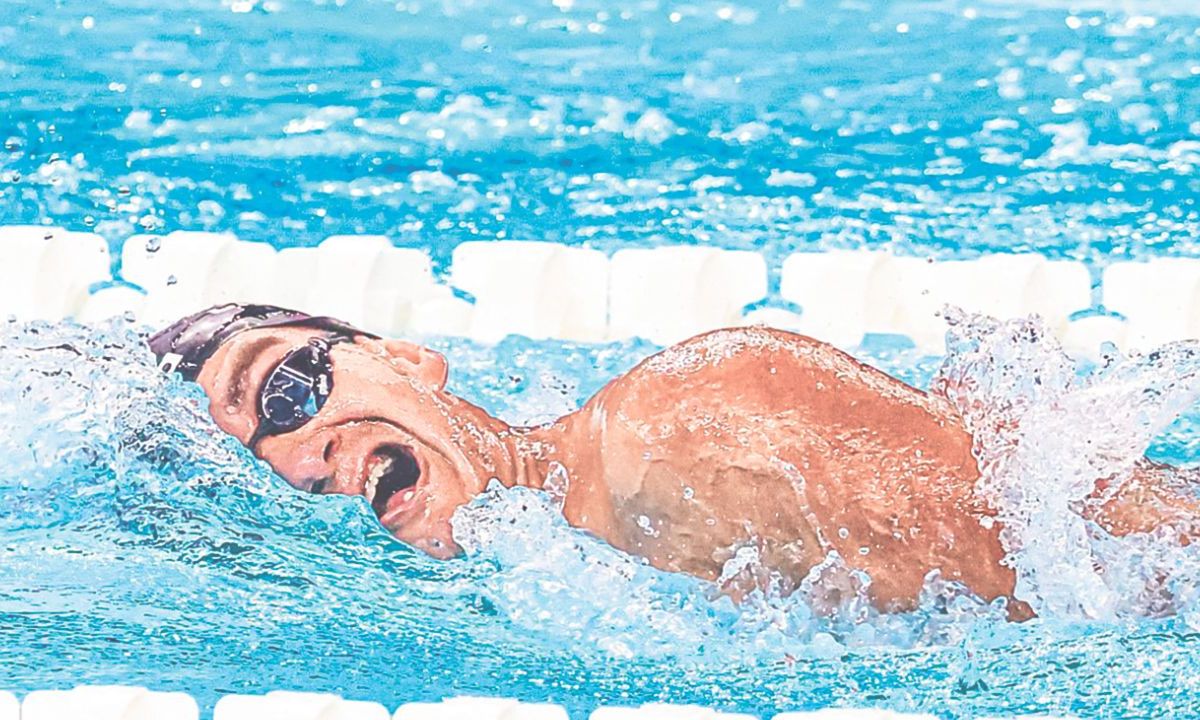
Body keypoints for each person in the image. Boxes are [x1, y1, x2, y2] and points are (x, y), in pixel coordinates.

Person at [149, 303, 1200, 620]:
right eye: (259, 462)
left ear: (408, 360)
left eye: (284, 391)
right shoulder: (567, 560)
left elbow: (1108, 604)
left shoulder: (684, 436)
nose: (296, 457)